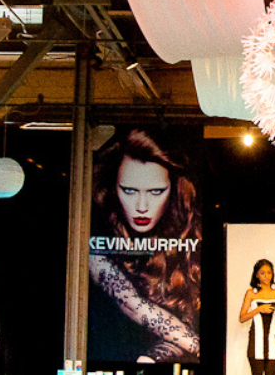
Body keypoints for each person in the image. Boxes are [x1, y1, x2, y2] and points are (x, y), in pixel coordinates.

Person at [86, 129, 201, 363]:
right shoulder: (97, 245)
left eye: (156, 191)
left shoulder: (189, 234)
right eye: (129, 190)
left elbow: (177, 330)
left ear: (175, 190)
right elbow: (137, 308)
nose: (141, 206)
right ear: (112, 188)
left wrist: (157, 355)